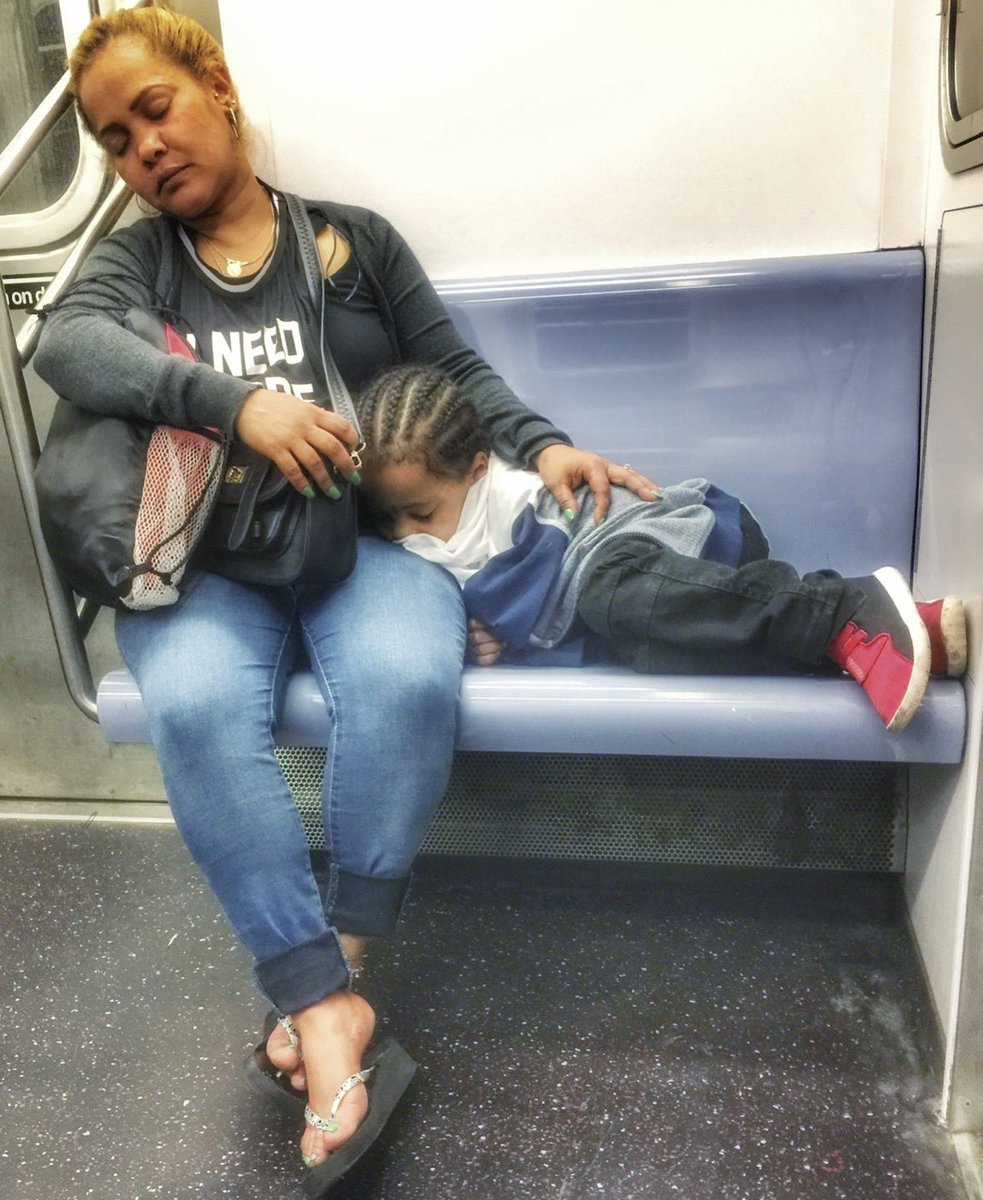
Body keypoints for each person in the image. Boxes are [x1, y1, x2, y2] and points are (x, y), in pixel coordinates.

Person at [32, 6, 660, 1190]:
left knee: (410, 678)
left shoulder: (351, 241)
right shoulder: (134, 262)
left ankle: (341, 965)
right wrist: (234, 406)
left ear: (214, 84)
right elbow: (69, 346)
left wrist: (546, 444)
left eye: (154, 110)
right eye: (115, 141)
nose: (142, 151)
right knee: (201, 707)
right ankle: (321, 1010)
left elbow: (453, 366)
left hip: (359, 543)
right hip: (201, 558)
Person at [355, 365, 968, 731]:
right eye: (388, 519)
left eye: (420, 513)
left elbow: (522, 597)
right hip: (679, 600)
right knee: (649, 647)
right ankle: (903, 637)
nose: (406, 533)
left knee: (614, 596)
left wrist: (476, 627)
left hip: (682, 539)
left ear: (478, 471)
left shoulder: (516, 502)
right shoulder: (418, 545)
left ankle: (840, 609)